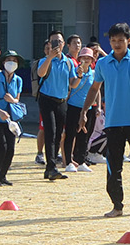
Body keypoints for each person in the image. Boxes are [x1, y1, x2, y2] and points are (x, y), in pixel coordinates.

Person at [86, 22, 130, 217]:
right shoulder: (102, 63)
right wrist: (84, 112)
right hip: (113, 122)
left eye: (121, 40)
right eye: (113, 40)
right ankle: (117, 205)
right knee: (113, 166)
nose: (117, 44)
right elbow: (94, 89)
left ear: (128, 41)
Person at [34, 31, 73, 181]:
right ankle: (51, 166)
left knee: (58, 134)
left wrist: (80, 75)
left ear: (64, 44)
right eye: (54, 41)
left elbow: (73, 83)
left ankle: (50, 167)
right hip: (46, 100)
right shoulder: (44, 60)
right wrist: (50, 57)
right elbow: (41, 73)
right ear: (49, 44)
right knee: (50, 131)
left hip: (62, 101)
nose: (57, 44)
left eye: (59, 41)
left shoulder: (68, 62)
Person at [0, 45, 22, 186]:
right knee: (1, 147)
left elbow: (17, 98)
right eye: (8, 60)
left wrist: (12, 100)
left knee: (11, 149)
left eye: (14, 60)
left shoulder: (18, 80)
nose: (11, 62)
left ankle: (3, 175)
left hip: (10, 119)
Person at [63, 45, 96, 172]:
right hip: (73, 106)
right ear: (80, 58)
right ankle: (69, 162)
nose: (86, 60)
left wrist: (97, 106)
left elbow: (95, 90)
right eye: (84, 57)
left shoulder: (93, 73)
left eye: (89, 58)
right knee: (71, 134)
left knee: (84, 135)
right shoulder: (75, 70)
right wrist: (80, 75)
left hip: (88, 107)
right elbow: (73, 85)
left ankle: (81, 160)